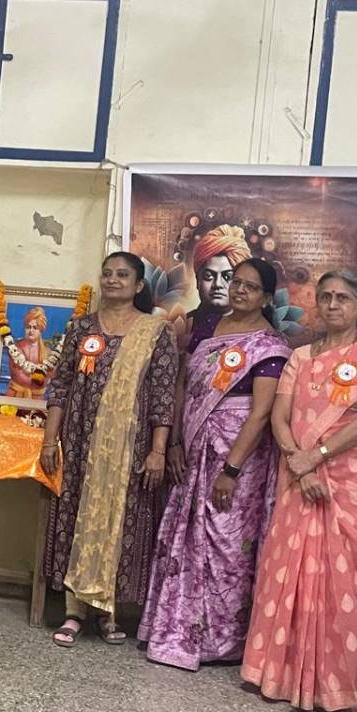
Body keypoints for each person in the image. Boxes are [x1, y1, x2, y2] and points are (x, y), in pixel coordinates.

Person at [241, 269, 357, 711]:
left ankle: (332, 682)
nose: (333, 305)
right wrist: (301, 466)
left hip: (351, 486)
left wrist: (315, 456)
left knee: (345, 583)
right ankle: (273, 672)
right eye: (326, 297)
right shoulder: (299, 357)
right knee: (286, 572)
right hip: (299, 479)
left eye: (343, 298)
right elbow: (280, 418)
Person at [139, 258, 290, 670]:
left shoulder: (270, 346)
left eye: (250, 287)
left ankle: (221, 640)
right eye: (237, 282)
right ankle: (175, 628)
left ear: (266, 297)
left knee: (227, 543)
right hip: (192, 447)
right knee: (186, 536)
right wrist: (174, 442)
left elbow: (261, 413)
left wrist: (231, 471)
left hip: (238, 457)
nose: (239, 290)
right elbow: (183, 384)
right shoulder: (207, 327)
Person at [42, 251, 178, 647]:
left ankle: (109, 612)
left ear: (139, 285)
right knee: (77, 516)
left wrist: (157, 450)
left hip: (130, 448)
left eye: (122, 275)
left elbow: (163, 397)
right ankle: (74, 612)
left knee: (122, 520)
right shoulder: (81, 327)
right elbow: (60, 387)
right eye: (107, 273)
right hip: (79, 442)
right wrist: (50, 440)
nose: (112, 280)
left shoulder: (156, 332)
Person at [191, 224, 252, 320]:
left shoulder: (257, 327)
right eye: (208, 276)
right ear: (197, 280)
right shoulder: (180, 326)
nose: (217, 284)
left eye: (228, 277)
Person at [6, 306, 49, 399]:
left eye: (35, 328)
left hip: (38, 399)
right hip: (15, 396)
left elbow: (50, 377)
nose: (31, 331)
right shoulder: (15, 349)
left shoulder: (47, 353)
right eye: (28, 327)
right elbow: (20, 377)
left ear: (41, 330)